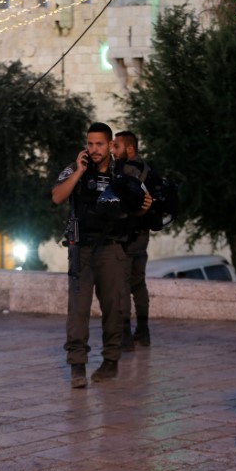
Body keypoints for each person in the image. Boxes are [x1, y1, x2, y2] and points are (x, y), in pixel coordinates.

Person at [52, 122, 148, 388]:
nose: (94, 149)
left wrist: (144, 207)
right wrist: (79, 171)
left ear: (109, 146)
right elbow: (57, 196)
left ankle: (110, 360)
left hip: (112, 248)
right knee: (78, 309)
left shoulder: (123, 174)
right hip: (81, 249)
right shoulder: (76, 168)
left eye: (100, 144)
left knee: (114, 307)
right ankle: (77, 366)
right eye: (90, 144)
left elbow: (137, 209)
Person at [110, 130, 161, 350]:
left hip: (127, 236)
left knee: (122, 284)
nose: (113, 151)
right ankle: (144, 331)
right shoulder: (147, 169)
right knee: (138, 283)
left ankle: (125, 336)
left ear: (130, 148)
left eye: (117, 147)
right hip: (143, 236)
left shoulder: (128, 171)